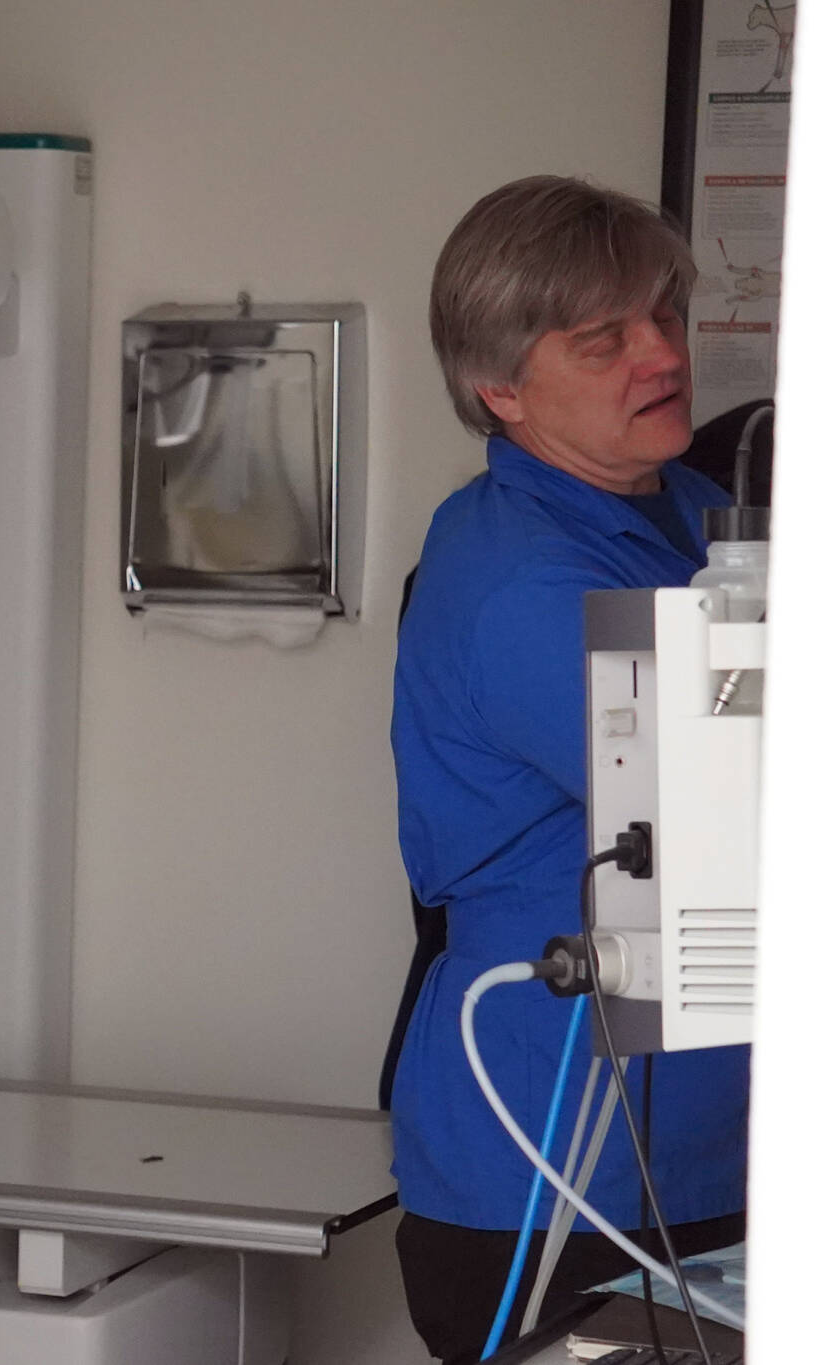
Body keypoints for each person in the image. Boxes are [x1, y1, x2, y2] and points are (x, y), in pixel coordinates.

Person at [390, 176, 749, 1363]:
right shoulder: (518, 583)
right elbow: (743, 802)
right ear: (499, 387)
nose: (657, 355)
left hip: (717, 1135)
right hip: (554, 1162)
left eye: (664, 316)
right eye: (601, 339)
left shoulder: (700, 514)